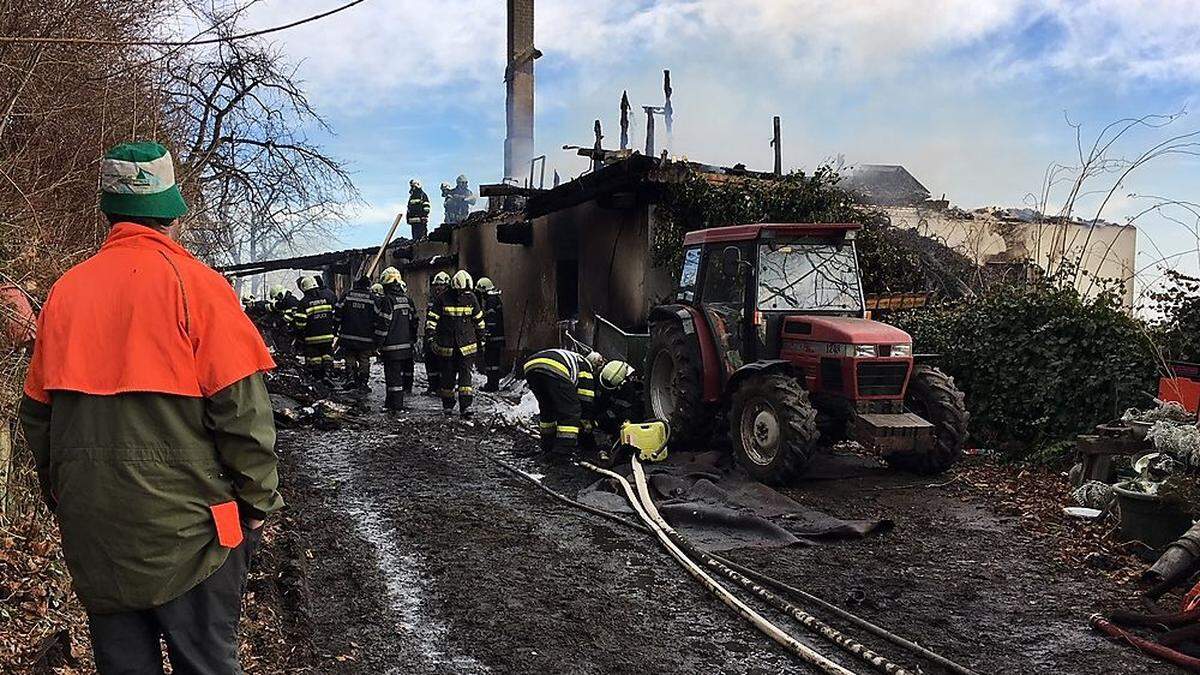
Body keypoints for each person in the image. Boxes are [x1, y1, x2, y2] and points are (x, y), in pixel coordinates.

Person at [18, 141, 282, 674]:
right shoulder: (200, 289)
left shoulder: (65, 294)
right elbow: (244, 420)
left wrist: (66, 498)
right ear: (171, 215)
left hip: (97, 538)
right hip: (193, 540)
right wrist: (257, 504)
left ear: (107, 211)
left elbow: (38, 417)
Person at [523, 349, 635, 459]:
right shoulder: (586, 369)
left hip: (531, 366)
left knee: (547, 408)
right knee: (571, 412)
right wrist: (586, 422)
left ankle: (547, 444)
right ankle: (562, 452)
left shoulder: (576, 360)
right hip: (555, 369)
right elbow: (585, 400)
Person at [428, 270, 485, 417]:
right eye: (461, 290)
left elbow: (479, 322)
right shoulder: (442, 299)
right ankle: (448, 406)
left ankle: (465, 407)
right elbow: (431, 322)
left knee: (465, 379)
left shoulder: (471, 298)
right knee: (447, 377)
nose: (463, 293)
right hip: (448, 347)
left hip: (465, 348)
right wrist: (431, 339)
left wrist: (482, 340)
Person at [374, 267, 418, 412]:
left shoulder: (388, 301)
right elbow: (414, 322)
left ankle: (396, 405)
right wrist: (412, 339)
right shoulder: (408, 300)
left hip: (391, 346)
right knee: (397, 376)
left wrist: (377, 344)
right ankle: (390, 403)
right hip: (406, 346)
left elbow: (383, 325)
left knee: (393, 378)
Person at [335, 275, 378, 393]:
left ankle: (351, 379)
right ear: (368, 286)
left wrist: (336, 329)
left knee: (350, 357)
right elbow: (378, 317)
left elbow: (338, 313)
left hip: (348, 336)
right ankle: (363, 383)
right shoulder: (373, 298)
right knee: (364, 359)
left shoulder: (347, 296)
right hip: (366, 338)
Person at [293, 275, 338, 383]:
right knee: (327, 354)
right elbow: (334, 315)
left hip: (312, 337)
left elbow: (300, 323)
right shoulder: (326, 299)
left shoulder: (303, 302)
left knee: (314, 357)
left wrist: (299, 334)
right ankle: (327, 374)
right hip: (327, 335)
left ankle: (318, 378)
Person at [475, 277, 506, 392]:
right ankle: (493, 383)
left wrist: (486, 333)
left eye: (481, 292)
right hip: (497, 338)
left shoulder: (491, 301)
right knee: (494, 362)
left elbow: (491, 320)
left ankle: (492, 385)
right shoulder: (495, 299)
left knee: (491, 362)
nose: (481, 295)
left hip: (493, 338)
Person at [423, 271, 450, 396]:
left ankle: (441, 387)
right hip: (431, 334)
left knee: (442, 364)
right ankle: (432, 386)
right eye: (436, 285)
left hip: (442, 337)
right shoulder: (433, 300)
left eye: (441, 285)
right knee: (430, 361)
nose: (438, 287)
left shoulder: (448, 300)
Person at [268, 284, 301, 357]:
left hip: (296, 329)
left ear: (280, 294)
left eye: (277, 297)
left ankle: (288, 354)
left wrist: (277, 324)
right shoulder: (286, 301)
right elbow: (278, 306)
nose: (278, 299)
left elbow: (289, 317)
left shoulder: (291, 301)